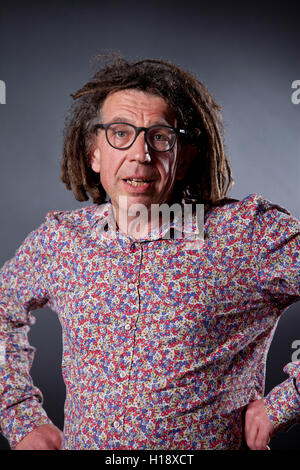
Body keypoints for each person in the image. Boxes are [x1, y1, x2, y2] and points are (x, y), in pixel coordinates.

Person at [0, 55, 299, 451]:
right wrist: (20, 418)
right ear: (93, 154)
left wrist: (285, 401)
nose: (140, 154)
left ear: (185, 156)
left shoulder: (243, 235)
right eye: (120, 133)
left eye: (159, 136)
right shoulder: (61, 241)